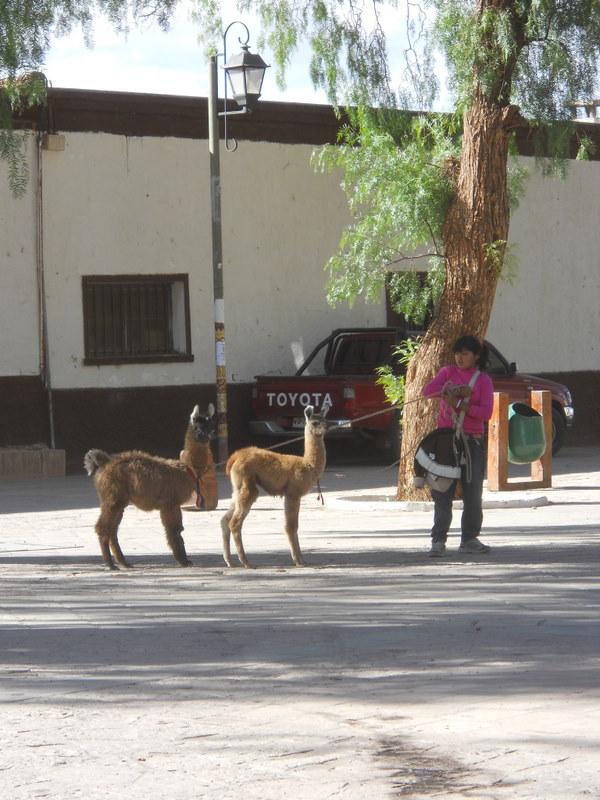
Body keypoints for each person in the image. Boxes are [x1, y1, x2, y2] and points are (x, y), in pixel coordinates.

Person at [422, 335, 494, 557]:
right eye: (457, 353)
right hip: (446, 441)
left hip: (471, 441)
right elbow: (427, 391)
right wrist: (448, 388)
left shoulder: (483, 380)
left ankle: (470, 538)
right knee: (442, 490)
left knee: (473, 490)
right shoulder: (447, 373)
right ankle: (438, 539)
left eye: (465, 353)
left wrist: (461, 404)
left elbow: (486, 413)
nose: (460, 358)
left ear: (476, 356)